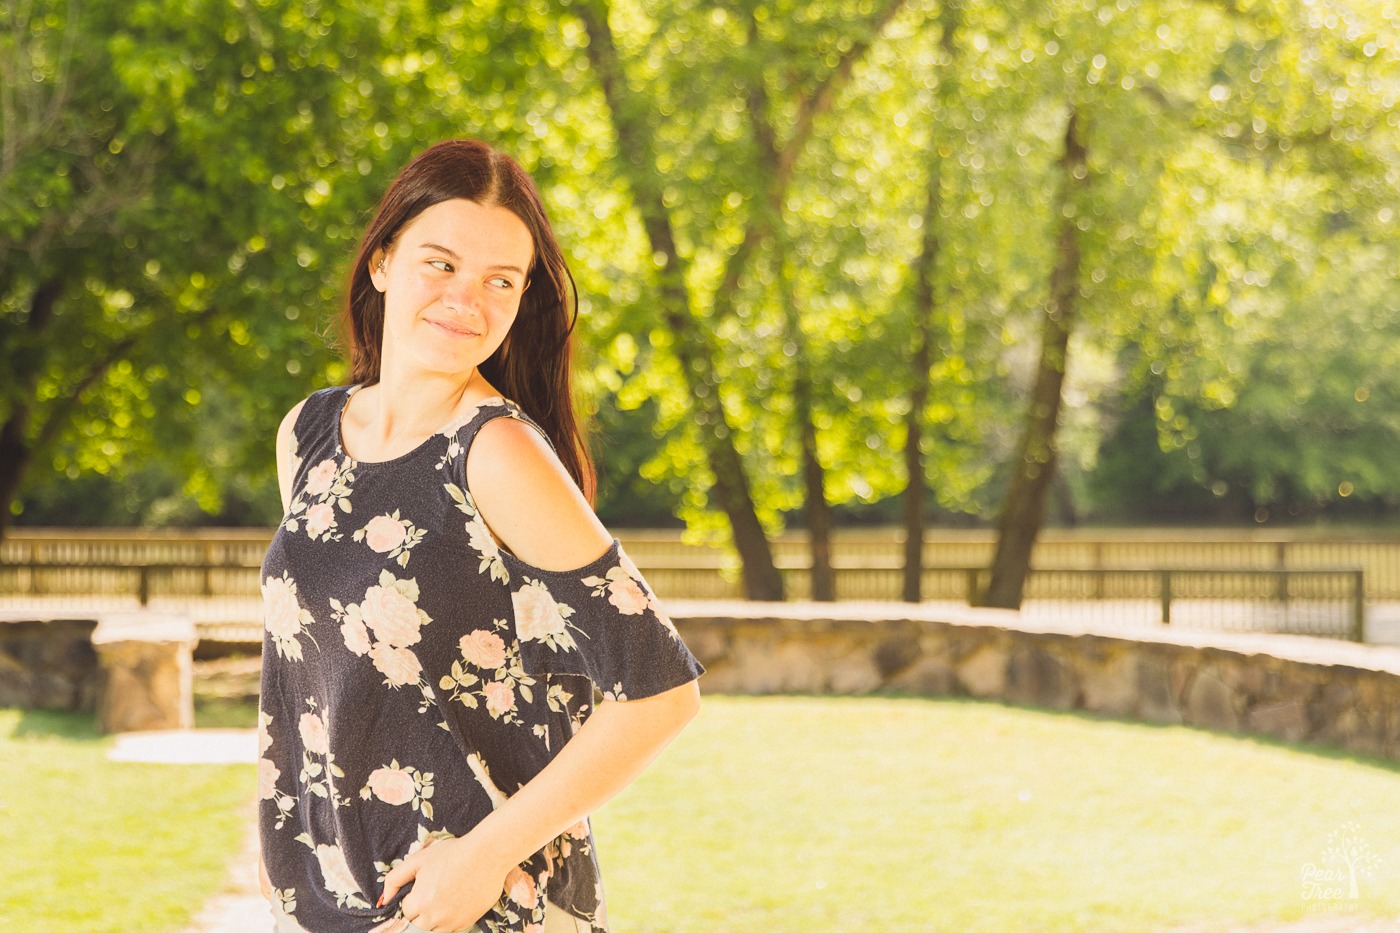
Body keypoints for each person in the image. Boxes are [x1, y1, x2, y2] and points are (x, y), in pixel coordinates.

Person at [255, 138, 705, 933]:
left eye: (501, 280)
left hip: (479, 908)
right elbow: (310, 673)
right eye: (441, 263)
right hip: (334, 904)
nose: (468, 299)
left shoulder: (496, 452)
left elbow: (660, 692)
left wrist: (483, 856)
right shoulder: (309, 432)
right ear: (383, 261)